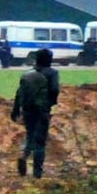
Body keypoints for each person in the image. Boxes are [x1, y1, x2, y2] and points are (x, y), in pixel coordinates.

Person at [10, 48, 59, 178]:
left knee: (30, 136)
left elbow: (19, 93)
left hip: (27, 110)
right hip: (42, 111)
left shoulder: (28, 74)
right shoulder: (52, 73)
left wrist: (15, 110)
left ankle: (24, 155)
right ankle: (37, 172)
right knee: (40, 141)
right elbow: (54, 89)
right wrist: (51, 103)